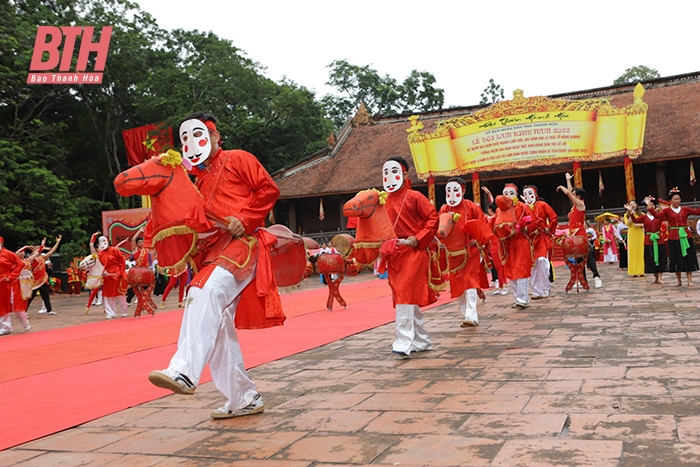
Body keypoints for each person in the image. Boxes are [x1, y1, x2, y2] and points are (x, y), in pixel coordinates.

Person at [148, 111, 283, 420]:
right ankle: (243, 398)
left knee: (202, 291)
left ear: (215, 137)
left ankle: (183, 370)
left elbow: (268, 189)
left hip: (242, 246)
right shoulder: (197, 181)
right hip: (213, 251)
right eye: (184, 139)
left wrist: (245, 218)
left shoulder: (239, 158)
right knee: (220, 327)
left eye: (197, 135)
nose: (191, 143)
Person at [379, 156, 438, 355]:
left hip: (413, 251)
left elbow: (433, 218)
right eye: (385, 172)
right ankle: (422, 340)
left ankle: (403, 341)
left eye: (393, 171)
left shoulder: (414, 197)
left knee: (404, 294)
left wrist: (419, 237)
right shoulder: (382, 201)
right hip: (394, 254)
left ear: (404, 174)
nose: (389, 176)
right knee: (406, 297)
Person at [439, 177, 489, 327]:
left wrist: (481, 242)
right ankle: (465, 313)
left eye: (455, 190)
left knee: (470, 283)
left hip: (470, 251)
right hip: (452, 255)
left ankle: (471, 315)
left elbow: (482, 225)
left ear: (463, 191)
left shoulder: (472, 207)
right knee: (458, 287)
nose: (452, 194)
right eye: (449, 190)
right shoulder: (444, 209)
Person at [490, 183, 535, 308]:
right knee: (510, 271)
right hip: (506, 245)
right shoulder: (499, 210)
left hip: (520, 242)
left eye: (511, 193)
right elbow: (493, 224)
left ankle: (523, 299)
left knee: (520, 270)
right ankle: (518, 298)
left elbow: (534, 221)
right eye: (505, 194)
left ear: (516, 195)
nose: (508, 196)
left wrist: (526, 229)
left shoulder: (523, 207)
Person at [645, 188, 700, 286]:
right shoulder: (667, 211)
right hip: (673, 236)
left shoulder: (685, 209)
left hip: (685, 235)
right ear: (670, 201)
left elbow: (697, 212)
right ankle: (679, 280)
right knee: (676, 258)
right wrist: (649, 206)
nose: (677, 201)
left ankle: (689, 280)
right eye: (675, 199)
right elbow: (657, 216)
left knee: (688, 257)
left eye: (678, 199)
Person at [557, 173, 602, 288]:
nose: (572, 195)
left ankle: (596, 276)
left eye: (574, 195)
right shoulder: (575, 205)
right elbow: (571, 192)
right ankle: (583, 280)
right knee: (578, 258)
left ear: (578, 196)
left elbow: (568, 193)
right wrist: (568, 180)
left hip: (580, 233)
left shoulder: (581, 205)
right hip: (573, 234)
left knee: (588, 255)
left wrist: (562, 187)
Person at [522, 185, 557, 299]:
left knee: (542, 261)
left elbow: (554, 217)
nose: (528, 196)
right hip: (529, 240)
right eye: (525, 194)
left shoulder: (542, 205)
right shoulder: (522, 208)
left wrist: (549, 227)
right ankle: (536, 291)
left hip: (541, 237)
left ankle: (545, 288)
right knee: (532, 265)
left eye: (530, 193)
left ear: (535, 194)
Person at [90, 232, 129, 319]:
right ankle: (110, 313)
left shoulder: (114, 250)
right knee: (107, 295)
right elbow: (97, 261)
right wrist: (102, 271)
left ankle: (124, 311)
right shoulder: (101, 253)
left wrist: (120, 272)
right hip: (107, 275)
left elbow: (122, 261)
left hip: (117, 274)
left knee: (120, 294)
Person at [630, 198, 668, 283]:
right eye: (649, 205)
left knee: (661, 257)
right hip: (649, 239)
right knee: (650, 257)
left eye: (652, 205)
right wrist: (631, 212)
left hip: (658, 239)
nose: (651, 207)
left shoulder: (659, 216)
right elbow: (635, 220)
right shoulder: (644, 217)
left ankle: (660, 278)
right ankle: (656, 277)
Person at [0, 236, 30, 335]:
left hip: (10, 282)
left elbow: (20, 264)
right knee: (2, 305)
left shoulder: (8, 254)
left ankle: (25, 323)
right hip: (1, 283)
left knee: (15, 303)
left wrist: (11, 276)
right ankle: (6, 327)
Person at [25, 235, 62, 315]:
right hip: (35, 280)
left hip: (43, 279)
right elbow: (36, 253)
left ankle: (49, 310)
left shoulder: (42, 257)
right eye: (36, 247)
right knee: (30, 297)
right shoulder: (31, 258)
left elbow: (51, 252)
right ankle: (24, 312)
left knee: (45, 295)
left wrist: (58, 242)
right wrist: (41, 247)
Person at [623, 201, 645, 277]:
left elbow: (645, 224)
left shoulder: (641, 214)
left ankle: (642, 270)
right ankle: (634, 271)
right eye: (631, 204)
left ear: (637, 205)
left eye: (634, 204)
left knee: (641, 251)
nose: (633, 205)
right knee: (633, 252)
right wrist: (631, 213)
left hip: (640, 233)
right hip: (632, 234)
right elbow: (628, 224)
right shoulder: (626, 215)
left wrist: (639, 225)